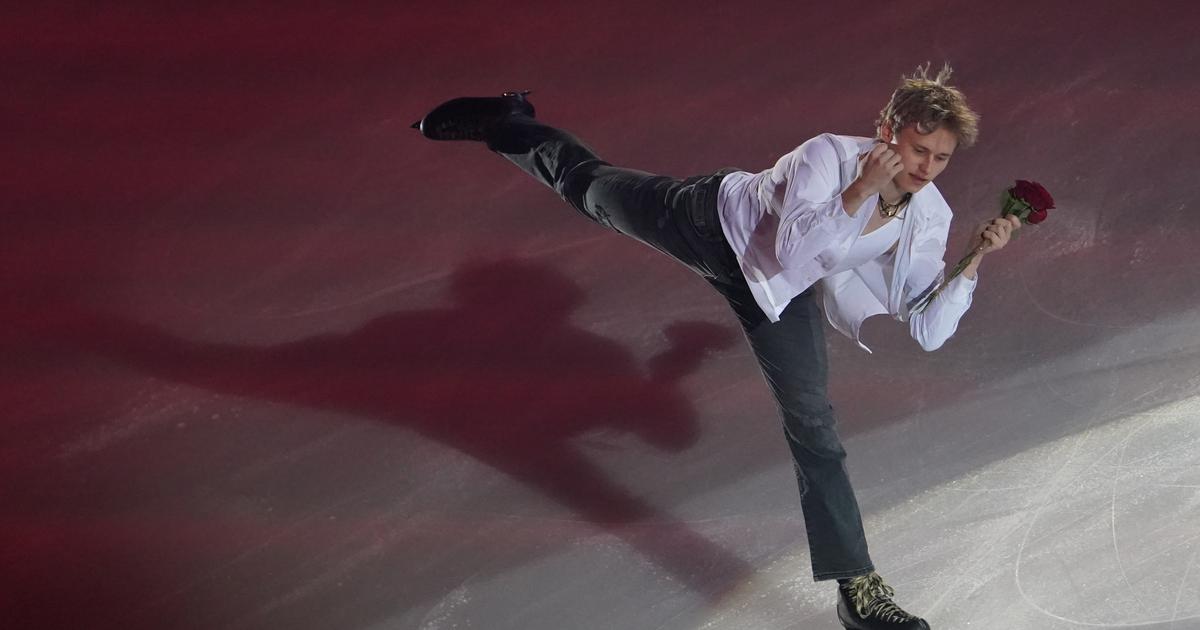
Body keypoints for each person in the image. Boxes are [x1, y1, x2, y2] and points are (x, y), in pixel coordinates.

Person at [411, 63, 1020, 630]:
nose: (927, 167)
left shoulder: (928, 214)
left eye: (941, 157)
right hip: (709, 224)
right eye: (919, 149)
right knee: (590, 190)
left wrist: (970, 263)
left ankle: (856, 586)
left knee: (814, 424)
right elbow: (794, 247)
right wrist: (860, 189)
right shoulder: (827, 156)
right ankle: (509, 122)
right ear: (887, 130)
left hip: (777, 294)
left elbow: (927, 329)